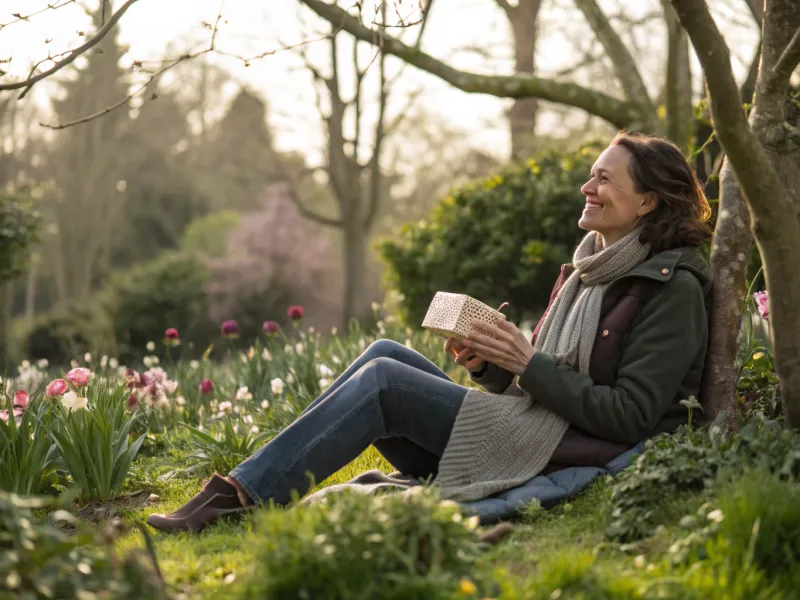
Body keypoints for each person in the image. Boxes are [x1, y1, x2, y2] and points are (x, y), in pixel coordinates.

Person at [147, 132, 711, 533]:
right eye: (591, 174)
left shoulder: (670, 288)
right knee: (384, 352)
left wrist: (527, 363)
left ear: (648, 201)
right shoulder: (589, 270)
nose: (588, 186)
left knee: (386, 382)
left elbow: (630, 416)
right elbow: (541, 384)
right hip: (537, 426)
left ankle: (238, 497)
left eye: (604, 179)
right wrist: (490, 365)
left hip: (565, 448)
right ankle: (252, 484)